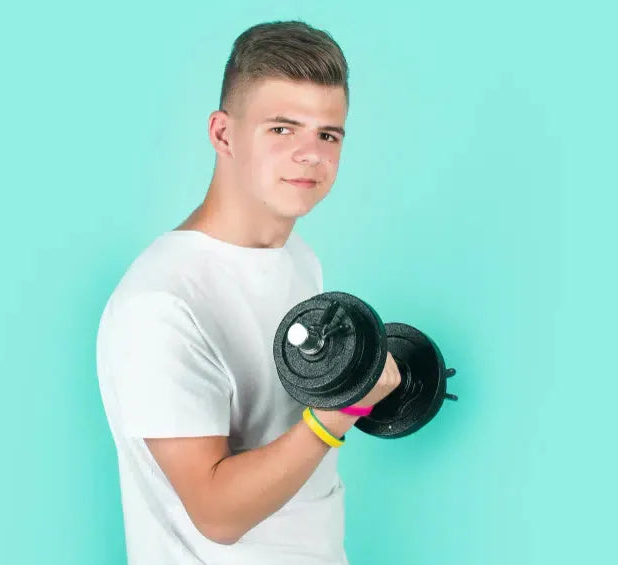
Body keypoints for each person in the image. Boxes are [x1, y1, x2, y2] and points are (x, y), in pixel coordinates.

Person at [95, 20, 401, 564]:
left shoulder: (300, 260)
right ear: (223, 133)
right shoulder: (160, 302)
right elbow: (217, 513)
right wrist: (350, 401)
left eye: (327, 134)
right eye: (282, 129)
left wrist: (371, 383)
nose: (310, 154)